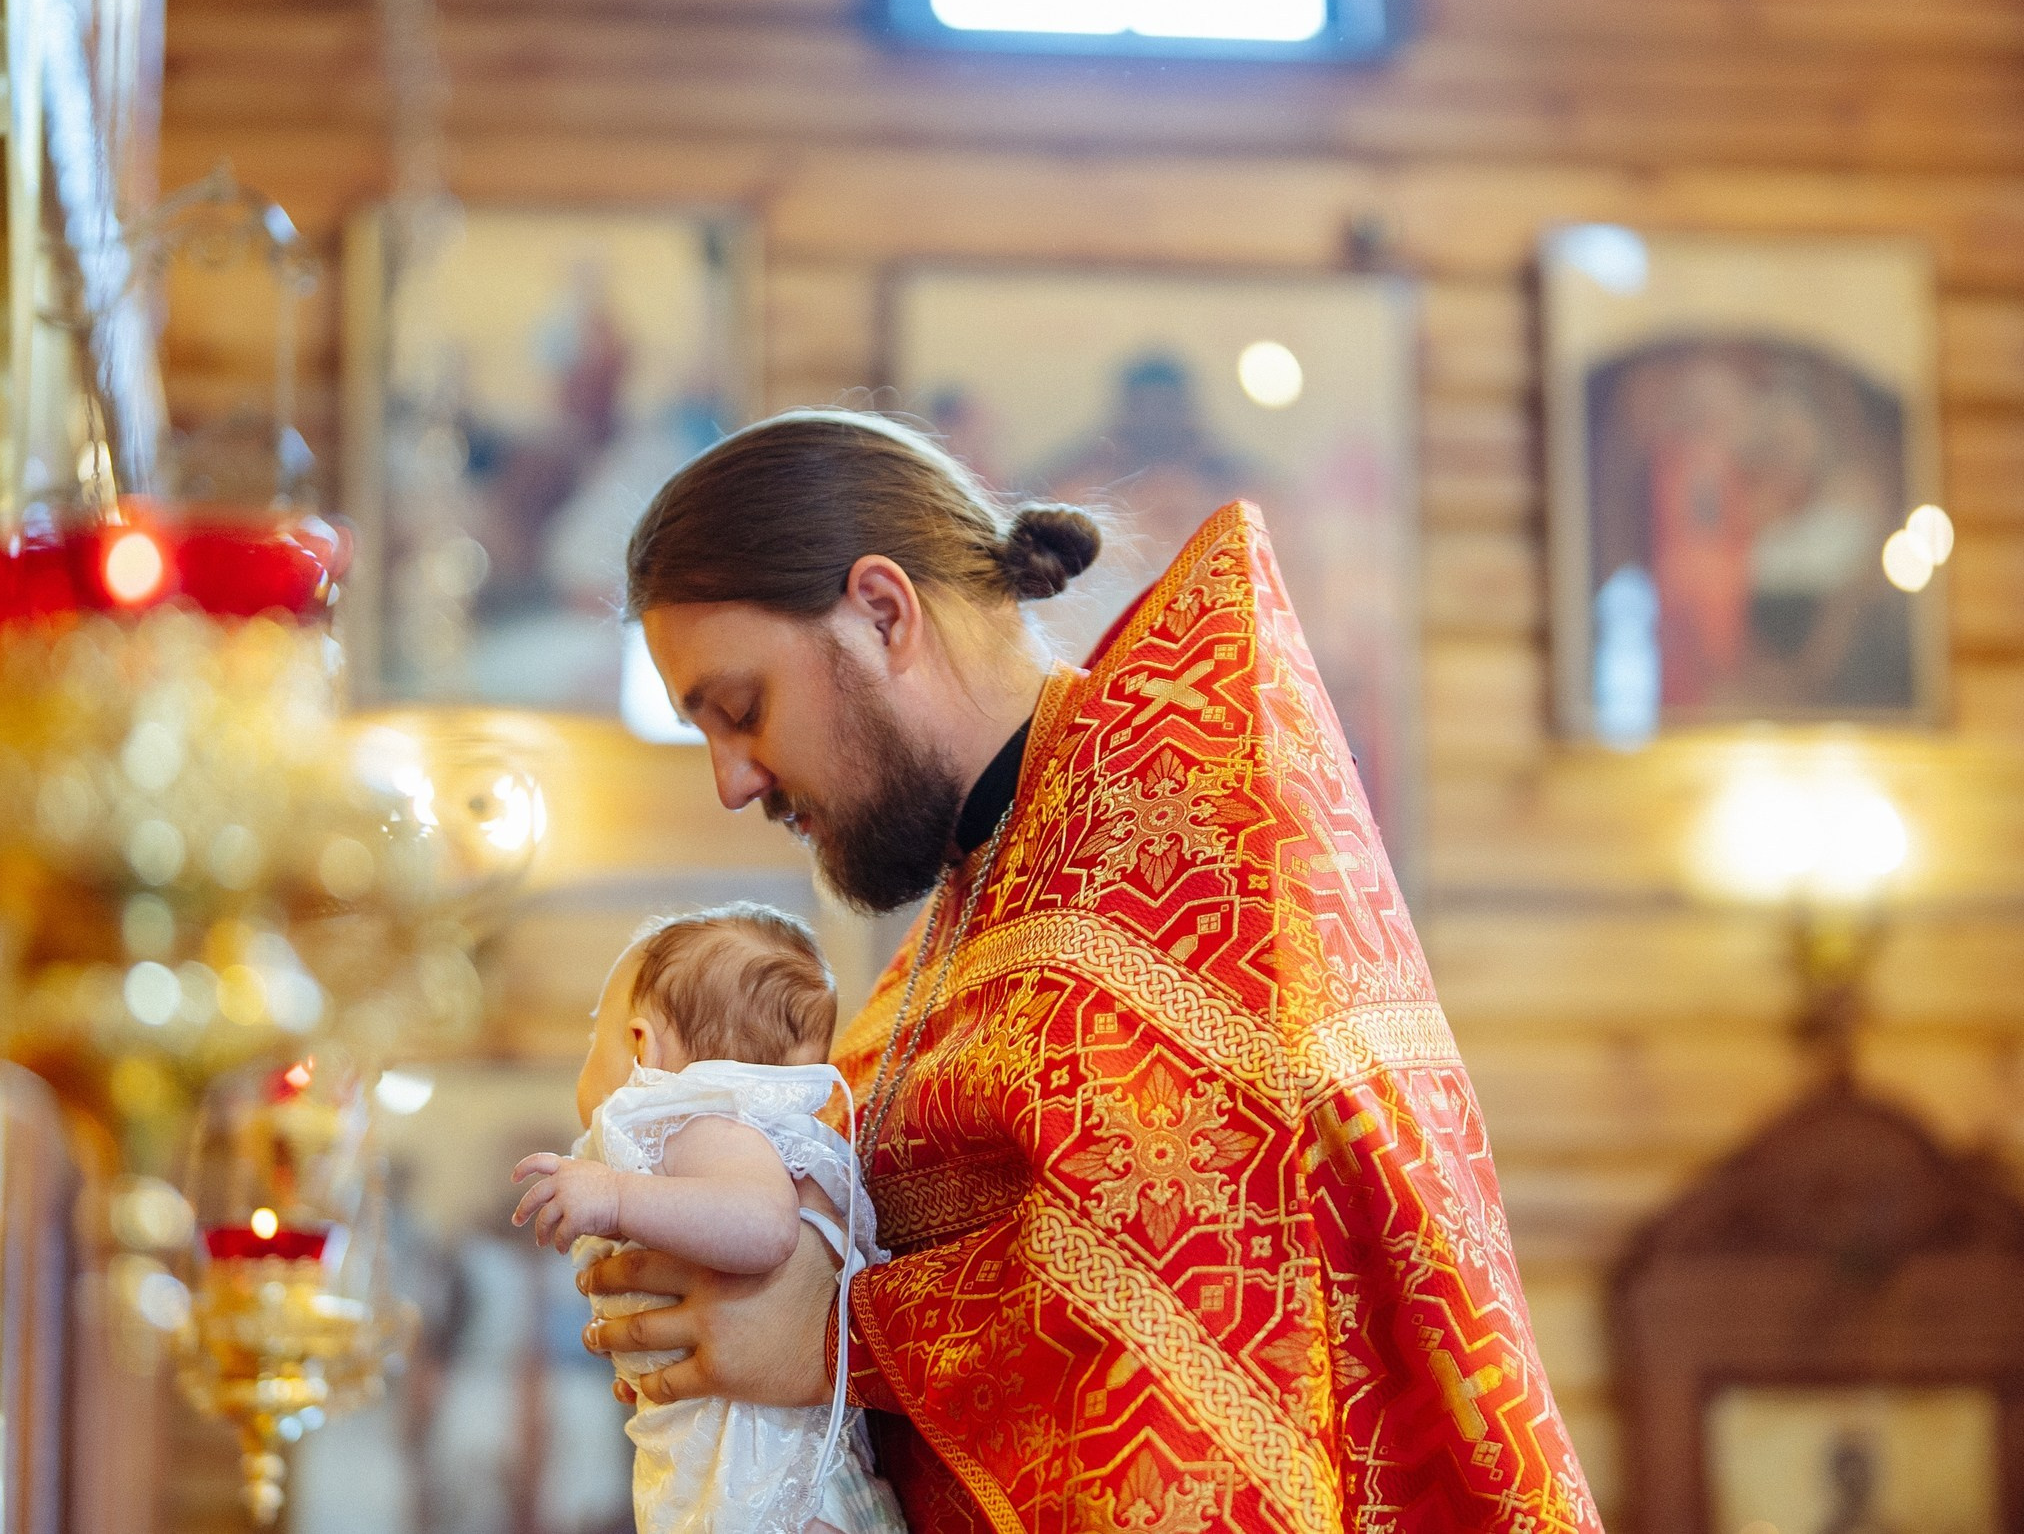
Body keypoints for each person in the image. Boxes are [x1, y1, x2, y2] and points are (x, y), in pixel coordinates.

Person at [581, 409, 1601, 1534]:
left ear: (881, 611)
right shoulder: (984, 888)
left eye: (740, 710)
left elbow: (1207, 1277)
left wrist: (838, 1334)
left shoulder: (1175, 827)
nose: (732, 781)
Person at [512, 903, 903, 1534]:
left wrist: (613, 1196)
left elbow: (766, 1227)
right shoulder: (703, 1141)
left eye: (595, 1038)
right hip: (731, 1439)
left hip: (766, 1459)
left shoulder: (698, 1124)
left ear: (643, 1045)